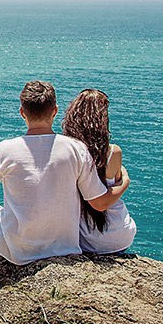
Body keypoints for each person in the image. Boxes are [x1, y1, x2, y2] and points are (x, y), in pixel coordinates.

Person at [0, 80, 129, 263]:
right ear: (55, 111)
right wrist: (124, 182)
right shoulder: (76, 149)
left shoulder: (4, 150)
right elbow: (98, 201)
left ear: (22, 113)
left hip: (18, 252)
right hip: (66, 249)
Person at [62, 89, 137, 254]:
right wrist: (125, 182)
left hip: (83, 238)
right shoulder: (113, 152)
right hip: (119, 233)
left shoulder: (65, 152)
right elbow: (114, 184)